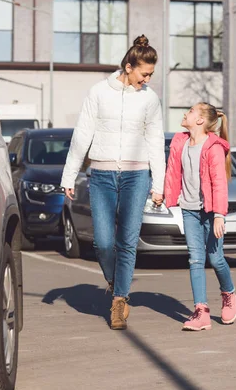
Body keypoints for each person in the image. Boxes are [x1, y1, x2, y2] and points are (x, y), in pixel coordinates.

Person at [61, 35, 165, 331]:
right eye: (144, 73)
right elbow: (82, 134)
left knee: (127, 242)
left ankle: (119, 300)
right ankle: (114, 281)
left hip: (137, 175)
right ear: (129, 66)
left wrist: (159, 184)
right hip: (102, 175)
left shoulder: (149, 99)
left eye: (151, 74)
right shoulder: (98, 92)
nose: (147, 79)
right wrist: (69, 175)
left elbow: (155, 141)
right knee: (103, 242)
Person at [164, 102, 236, 331]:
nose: (186, 113)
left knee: (215, 258)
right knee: (195, 259)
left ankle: (229, 294)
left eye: (192, 111)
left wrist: (219, 215)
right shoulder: (181, 142)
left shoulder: (212, 146)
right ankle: (201, 312)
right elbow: (172, 172)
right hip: (189, 210)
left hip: (210, 212)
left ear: (200, 120)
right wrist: (163, 194)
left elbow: (219, 183)